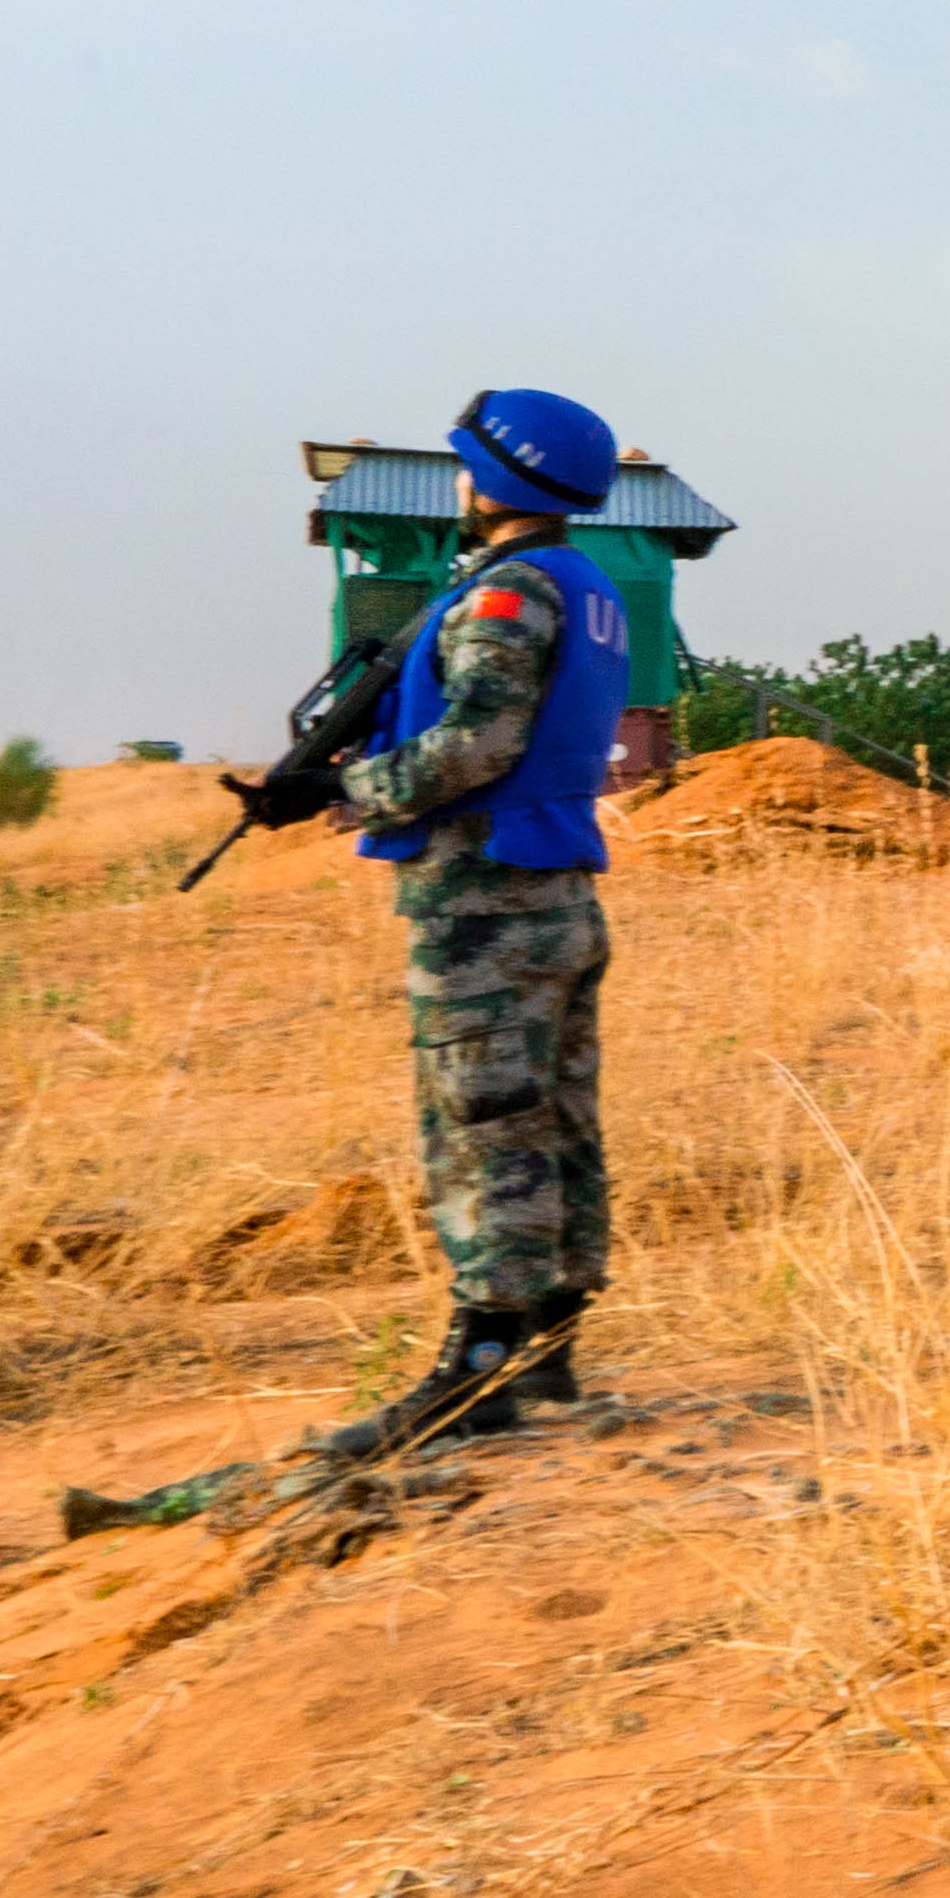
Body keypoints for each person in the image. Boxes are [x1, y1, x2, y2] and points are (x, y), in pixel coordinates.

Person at [303, 383, 636, 1471]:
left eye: (464, 465)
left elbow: (478, 744)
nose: (457, 481)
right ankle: (545, 1352)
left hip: (484, 902)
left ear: (496, 478)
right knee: (555, 1119)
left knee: (483, 1125)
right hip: (557, 896)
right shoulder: (587, 589)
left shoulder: (508, 596)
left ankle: (478, 1364)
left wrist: (362, 787)